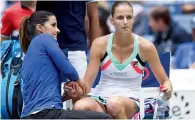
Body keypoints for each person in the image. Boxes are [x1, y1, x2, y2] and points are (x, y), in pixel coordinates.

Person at [66, 1, 173, 119]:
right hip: (101, 97)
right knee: (79, 107)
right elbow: (87, 84)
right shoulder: (99, 44)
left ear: (133, 19)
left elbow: (165, 81)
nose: (125, 22)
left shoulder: (146, 46)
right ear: (112, 21)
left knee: (114, 104)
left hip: (131, 100)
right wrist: (76, 90)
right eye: (120, 18)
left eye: (129, 17)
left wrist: (167, 87)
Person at [19, 11, 112, 119]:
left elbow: (40, 98)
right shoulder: (44, 38)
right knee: (105, 118)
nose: (57, 30)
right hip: (46, 114)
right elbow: (66, 68)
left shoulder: (30, 52)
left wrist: (64, 97)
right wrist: (81, 82)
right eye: (53, 25)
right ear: (40, 28)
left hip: (31, 116)